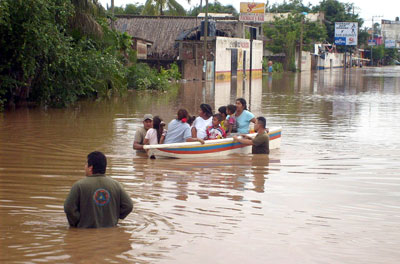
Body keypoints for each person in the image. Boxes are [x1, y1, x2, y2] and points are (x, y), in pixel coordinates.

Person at [64, 151, 133, 228]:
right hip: (110, 234)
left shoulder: (79, 185)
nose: (85, 167)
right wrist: (115, 216)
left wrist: (77, 223)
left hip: (85, 232)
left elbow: (69, 208)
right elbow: (128, 206)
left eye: (86, 164)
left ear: (90, 168)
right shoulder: (116, 185)